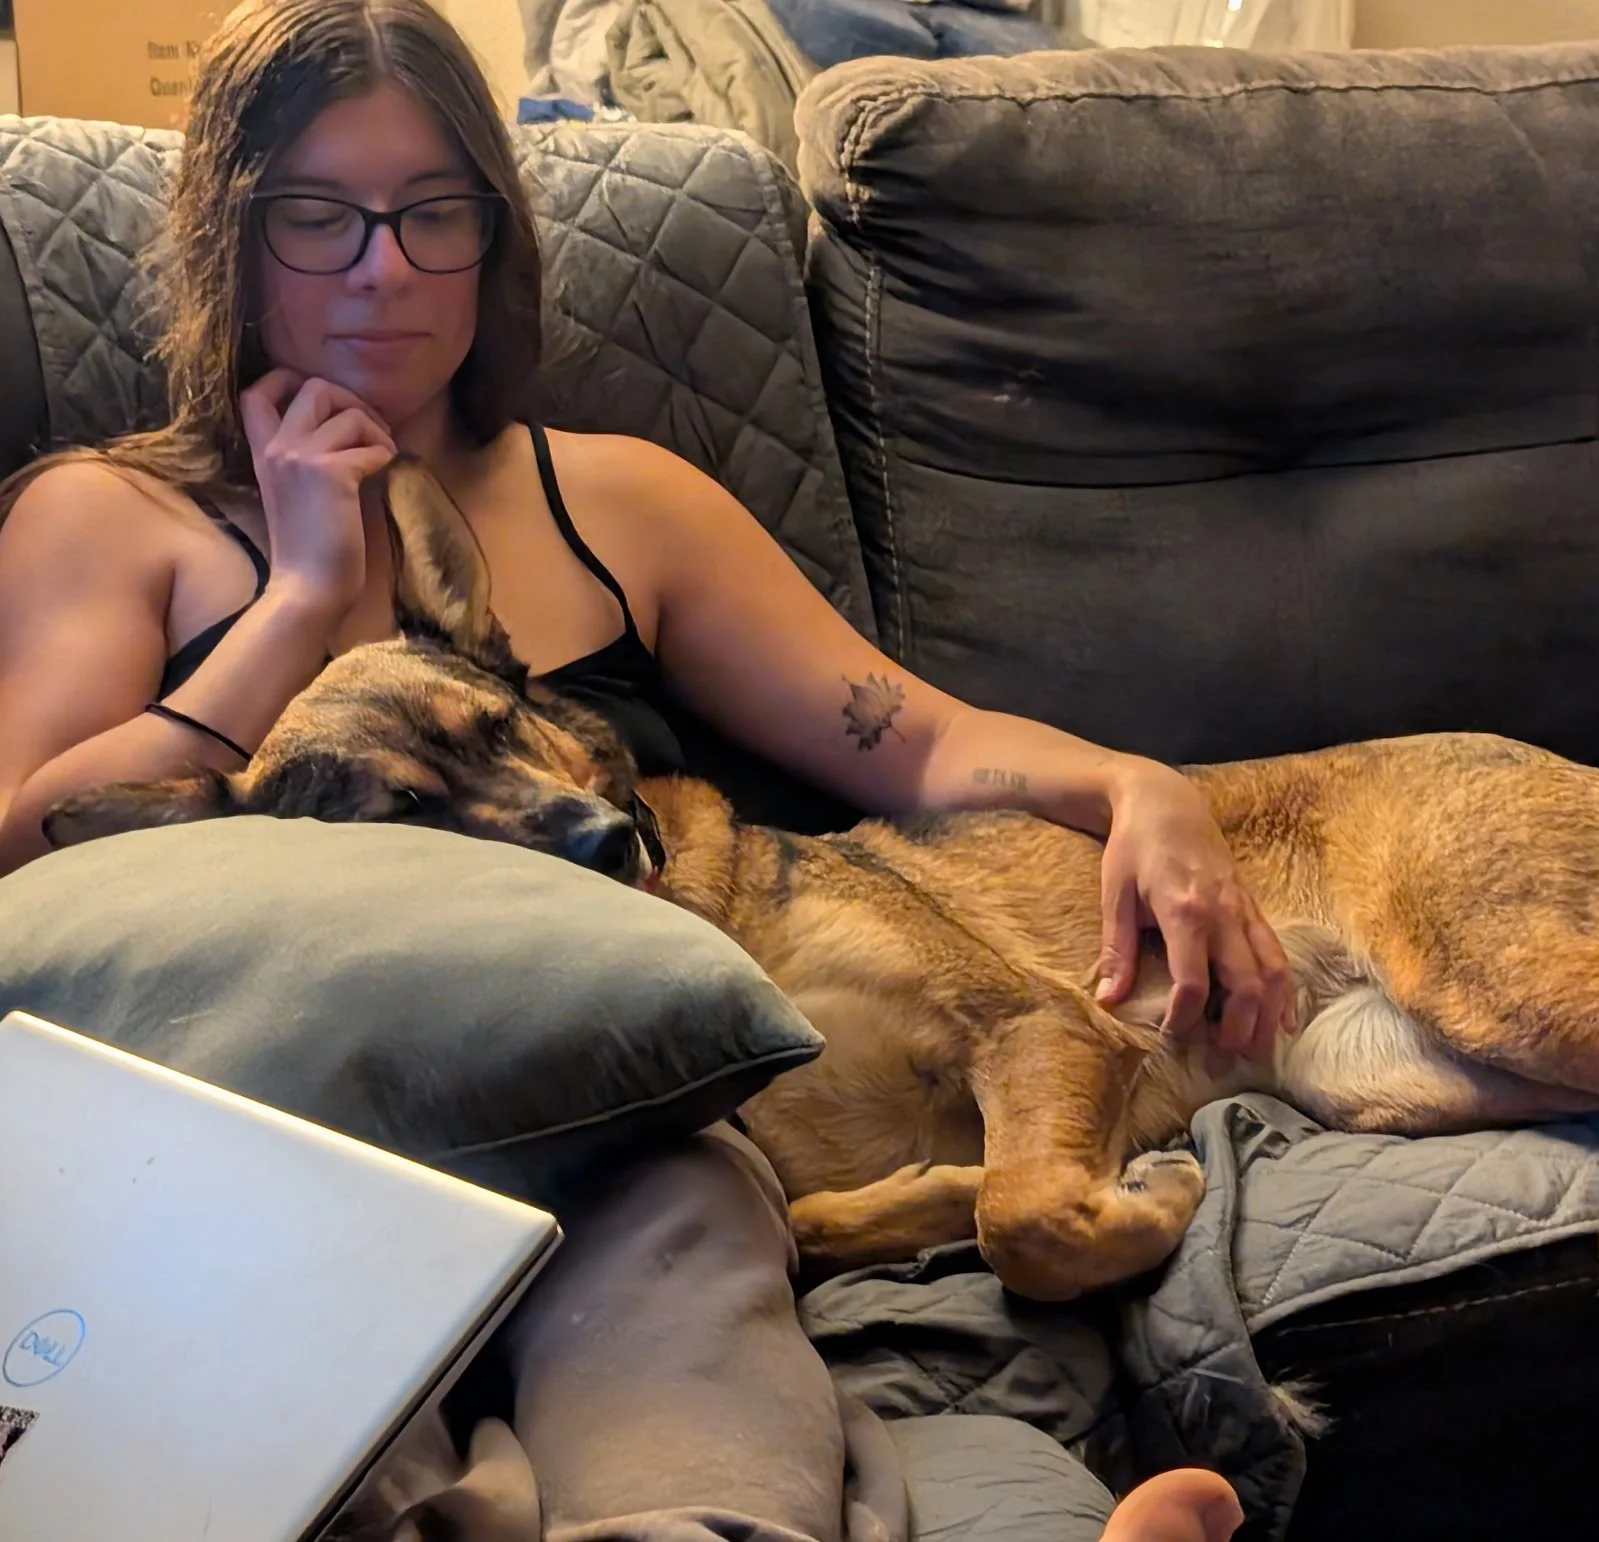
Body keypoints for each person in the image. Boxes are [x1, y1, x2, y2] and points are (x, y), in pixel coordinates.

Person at [0, 3, 1273, 1539]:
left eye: (433, 213)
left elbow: (913, 734)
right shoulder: (108, 520)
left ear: (496, 232)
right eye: (318, 217)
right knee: (330, 1407)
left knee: (694, 1292)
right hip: (294, 1130)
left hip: (630, 1121)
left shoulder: (610, 500)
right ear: (230, 238)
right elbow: (27, 843)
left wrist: (1141, 786)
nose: (383, 269)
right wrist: (292, 594)